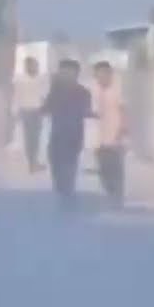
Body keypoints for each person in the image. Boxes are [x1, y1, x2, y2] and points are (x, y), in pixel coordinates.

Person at [41, 59, 92, 210]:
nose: (65, 75)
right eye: (63, 72)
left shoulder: (82, 92)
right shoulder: (55, 90)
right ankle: (63, 198)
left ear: (76, 74)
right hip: (57, 136)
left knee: (68, 170)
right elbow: (46, 109)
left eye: (69, 72)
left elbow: (85, 110)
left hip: (73, 137)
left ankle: (67, 200)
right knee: (57, 169)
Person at [92, 60, 127, 209]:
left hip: (115, 136)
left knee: (116, 169)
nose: (101, 78)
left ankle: (117, 197)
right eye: (98, 75)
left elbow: (124, 111)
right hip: (100, 138)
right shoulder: (95, 90)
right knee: (103, 169)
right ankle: (110, 194)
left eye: (103, 74)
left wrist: (122, 130)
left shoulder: (117, 90)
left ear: (109, 74)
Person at [13, 56, 47, 173]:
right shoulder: (20, 80)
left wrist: (45, 109)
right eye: (31, 65)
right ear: (26, 66)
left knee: (36, 138)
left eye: (35, 65)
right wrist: (16, 111)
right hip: (26, 111)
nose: (34, 67)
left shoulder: (40, 79)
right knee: (29, 138)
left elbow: (44, 95)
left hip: (37, 111)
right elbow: (17, 96)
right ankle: (31, 163)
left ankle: (34, 162)